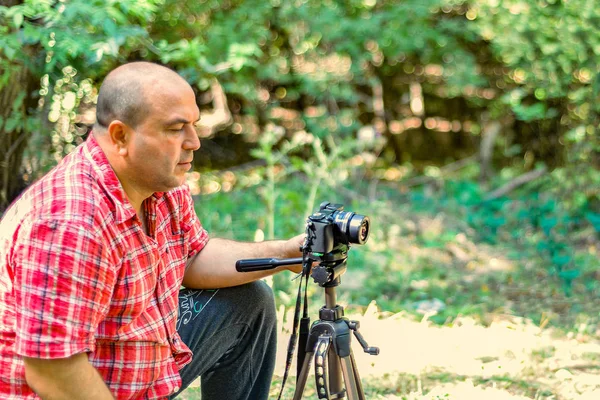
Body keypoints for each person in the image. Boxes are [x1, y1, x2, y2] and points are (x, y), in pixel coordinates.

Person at [0, 62, 304, 399]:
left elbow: (193, 257)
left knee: (249, 299)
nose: (194, 142)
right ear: (121, 136)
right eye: (176, 129)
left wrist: (286, 254)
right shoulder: (71, 222)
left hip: (135, 365)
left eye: (194, 126)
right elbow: (51, 371)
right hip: (72, 386)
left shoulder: (159, 182)